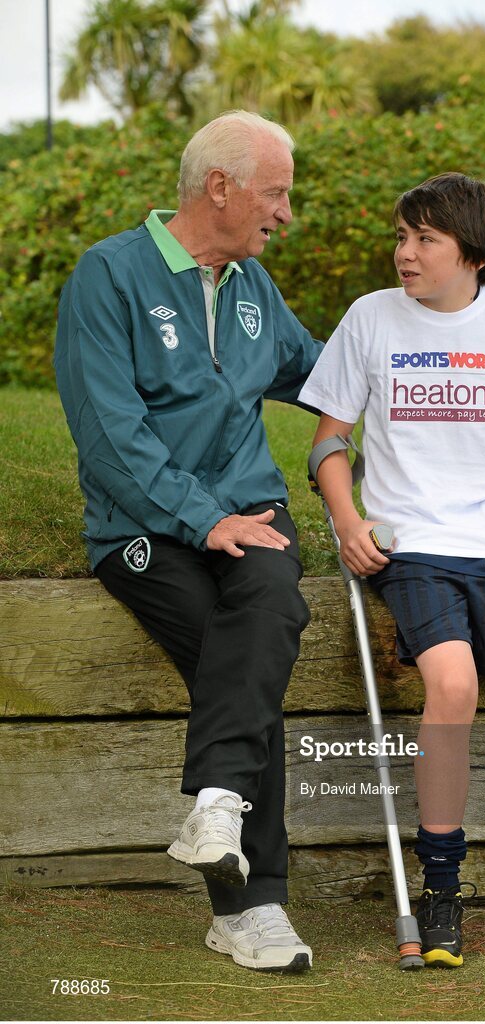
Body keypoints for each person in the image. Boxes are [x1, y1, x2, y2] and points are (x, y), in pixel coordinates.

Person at [54, 111, 324, 973]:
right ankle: (252, 908)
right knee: (239, 659)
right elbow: (108, 434)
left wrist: (442, 350)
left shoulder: (254, 291)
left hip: (250, 512)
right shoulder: (109, 275)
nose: (285, 213)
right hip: (143, 529)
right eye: (275, 193)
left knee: (269, 609)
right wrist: (203, 519)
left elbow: (325, 374)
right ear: (221, 188)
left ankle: (216, 808)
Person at [298, 172, 485, 968]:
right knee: (453, 683)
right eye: (400, 236)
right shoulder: (369, 318)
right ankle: (443, 886)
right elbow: (328, 441)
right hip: (410, 544)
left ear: (475, 254)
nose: (404, 253)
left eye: (425, 239)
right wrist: (348, 523)